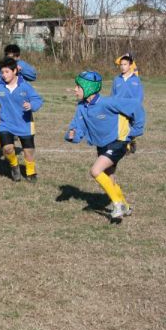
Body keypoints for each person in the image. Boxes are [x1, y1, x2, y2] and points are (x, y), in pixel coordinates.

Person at [65, 71, 145, 221]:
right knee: (110, 178)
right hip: (102, 145)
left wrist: (136, 130)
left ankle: (118, 204)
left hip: (118, 142)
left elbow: (135, 105)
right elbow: (77, 127)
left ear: (88, 88)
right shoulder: (81, 107)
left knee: (95, 171)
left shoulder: (108, 102)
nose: (74, 89)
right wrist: (72, 134)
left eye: (78, 86)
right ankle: (126, 206)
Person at [0, 57, 44, 182]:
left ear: (15, 71)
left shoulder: (25, 86)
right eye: (2, 72)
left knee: (28, 151)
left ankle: (31, 172)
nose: (4, 75)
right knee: (7, 148)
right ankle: (14, 166)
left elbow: (37, 100)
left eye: (7, 72)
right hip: (5, 123)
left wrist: (31, 105)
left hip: (24, 123)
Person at [0, 44, 37, 162]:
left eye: (14, 58)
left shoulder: (22, 65)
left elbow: (33, 76)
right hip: (3, 97)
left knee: (22, 123)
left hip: (19, 100)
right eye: (8, 57)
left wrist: (23, 70)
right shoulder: (1, 66)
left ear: (19, 57)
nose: (11, 60)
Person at [111, 54, 144, 154]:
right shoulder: (117, 80)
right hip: (119, 109)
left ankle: (131, 141)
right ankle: (126, 147)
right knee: (120, 128)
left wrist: (135, 108)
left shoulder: (136, 80)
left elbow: (139, 96)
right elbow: (113, 95)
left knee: (131, 127)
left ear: (130, 65)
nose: (122, 66)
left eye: (125, 64)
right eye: (121, 64)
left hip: (131, 109)